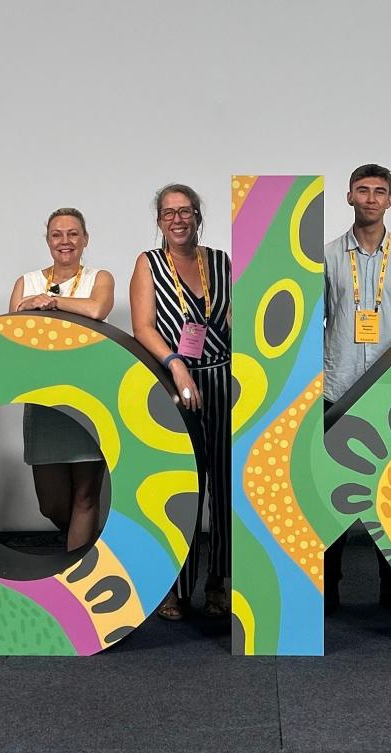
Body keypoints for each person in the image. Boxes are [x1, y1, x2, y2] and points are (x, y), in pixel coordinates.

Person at [321, 163, 391, 611]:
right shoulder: (326, 256)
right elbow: (314, 321)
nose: (370, 198)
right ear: (349, 197)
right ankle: (328, 587)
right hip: (337, 383)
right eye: (362, 190)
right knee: (330, 489)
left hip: (390, 389)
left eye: (379, 191)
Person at [128, 183, 231, 620]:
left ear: (197, 216)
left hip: (225, 382)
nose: (178, 219)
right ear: (158, 220)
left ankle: (218, 582)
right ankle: (174, 585)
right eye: (169, 212)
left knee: (226, 487)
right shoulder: (148, 264)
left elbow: (232, 318)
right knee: (184, 487)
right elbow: (143, 327)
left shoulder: (220, 261)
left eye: (185, 211)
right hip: (176, 385)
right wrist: (175, 364)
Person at [8, 208, 115, 553]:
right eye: (57, 234)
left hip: (90, 398)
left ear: (85, 239)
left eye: (73, 234)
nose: (65, 241)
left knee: (86, 494)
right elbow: (10, 333)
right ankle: (90, 545)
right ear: (48, 240)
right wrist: (28, 305)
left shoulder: (100, 278)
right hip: (44, 401)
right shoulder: (27, 282)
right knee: (51, 504)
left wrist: (49, 302)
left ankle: (76, 572)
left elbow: (97, 310)